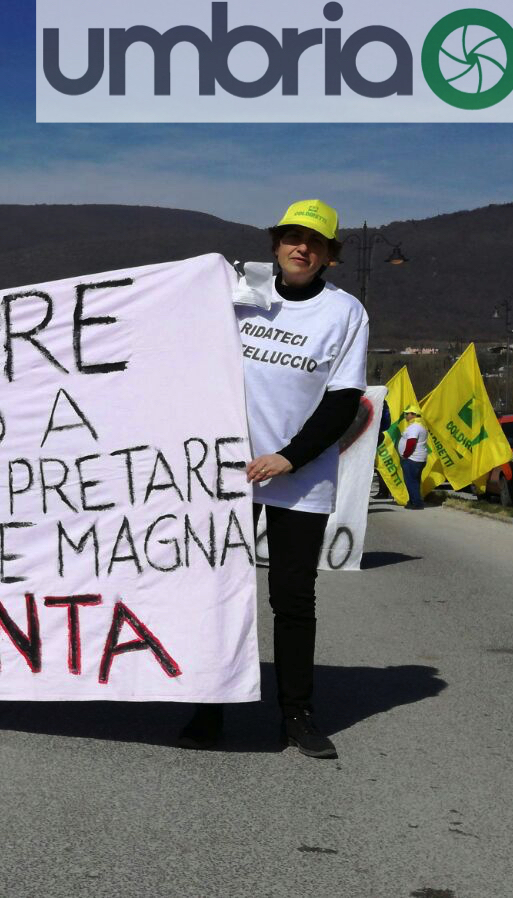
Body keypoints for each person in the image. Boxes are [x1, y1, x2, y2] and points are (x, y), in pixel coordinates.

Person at [179, 199, 369, 759]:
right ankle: (209, 707)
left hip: (298, 477)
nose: (301, 248)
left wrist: (289, 457)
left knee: (291, 598)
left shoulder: (345, 313)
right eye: (291, 237)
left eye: (314, 242)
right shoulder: (239, 296)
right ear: (276, 244)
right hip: (226, 475)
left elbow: (342, 403)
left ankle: (297, 714)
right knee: (217, 590)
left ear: (330, 256)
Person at [397, 406, 428, 509]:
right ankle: (413, 501)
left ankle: (417, 503)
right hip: (417, 458)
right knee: (414, 481)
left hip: (412, 459)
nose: (406, 415)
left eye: (407, 413)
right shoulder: (419, 426)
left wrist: (405, 455)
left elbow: (411, 443)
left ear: (413, 415)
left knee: (411, 481)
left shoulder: (414, 427)